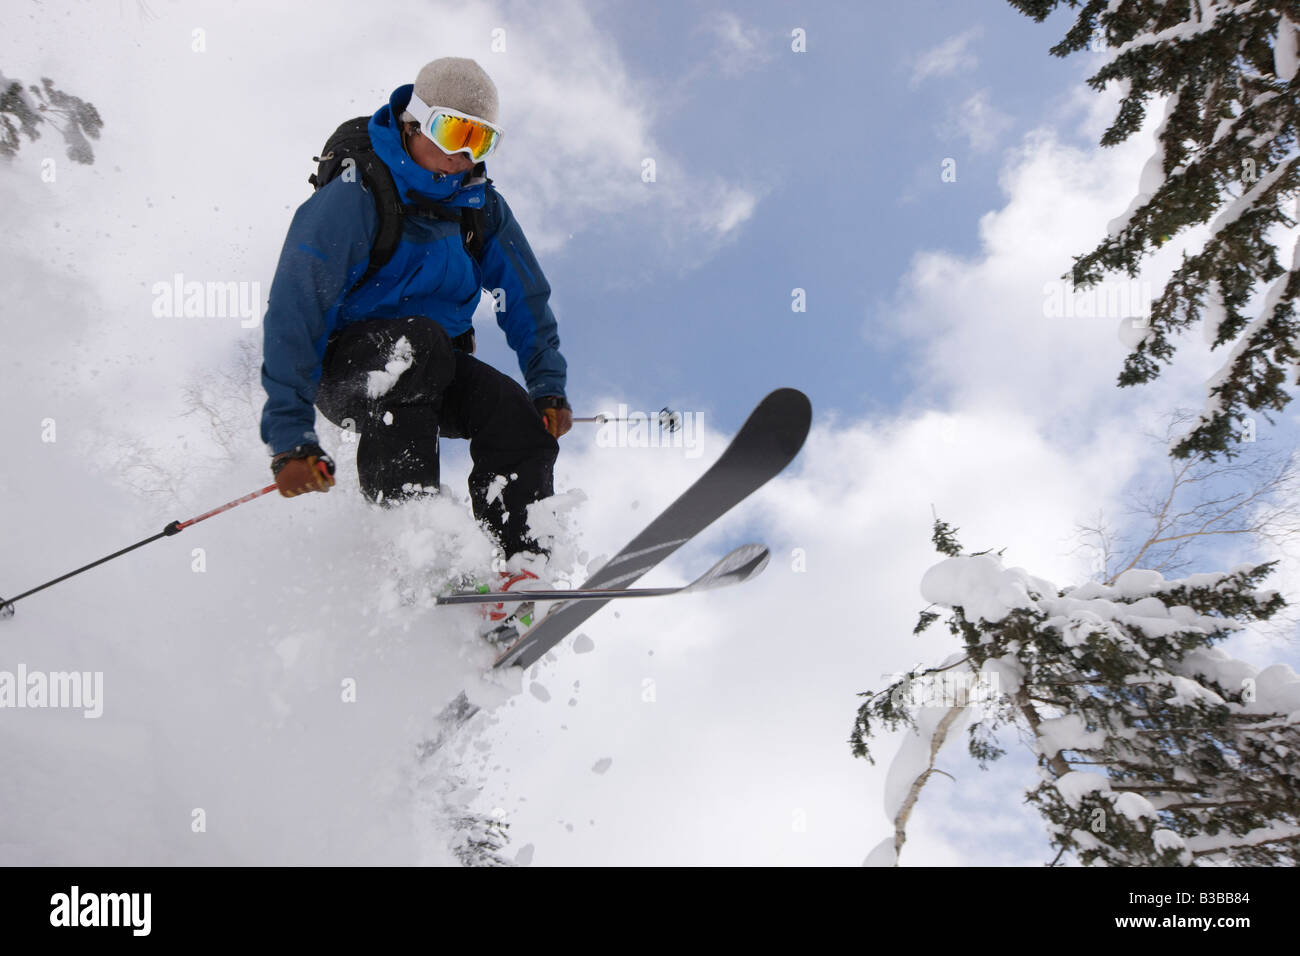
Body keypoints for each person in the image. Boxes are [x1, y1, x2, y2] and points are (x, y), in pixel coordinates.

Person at [258, 57, 572, 563]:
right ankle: (411, 551)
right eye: (453, 131)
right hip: (350, 366)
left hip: (432, 366)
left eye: (481, 140)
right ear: (413, 121)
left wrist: (546, 383)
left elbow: (525, 295)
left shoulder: (479, 207)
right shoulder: (356, 194)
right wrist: (290, 437)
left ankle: (520, 572)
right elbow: (297, 308)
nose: (464, 154)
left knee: (515, 419)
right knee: (419, 345)